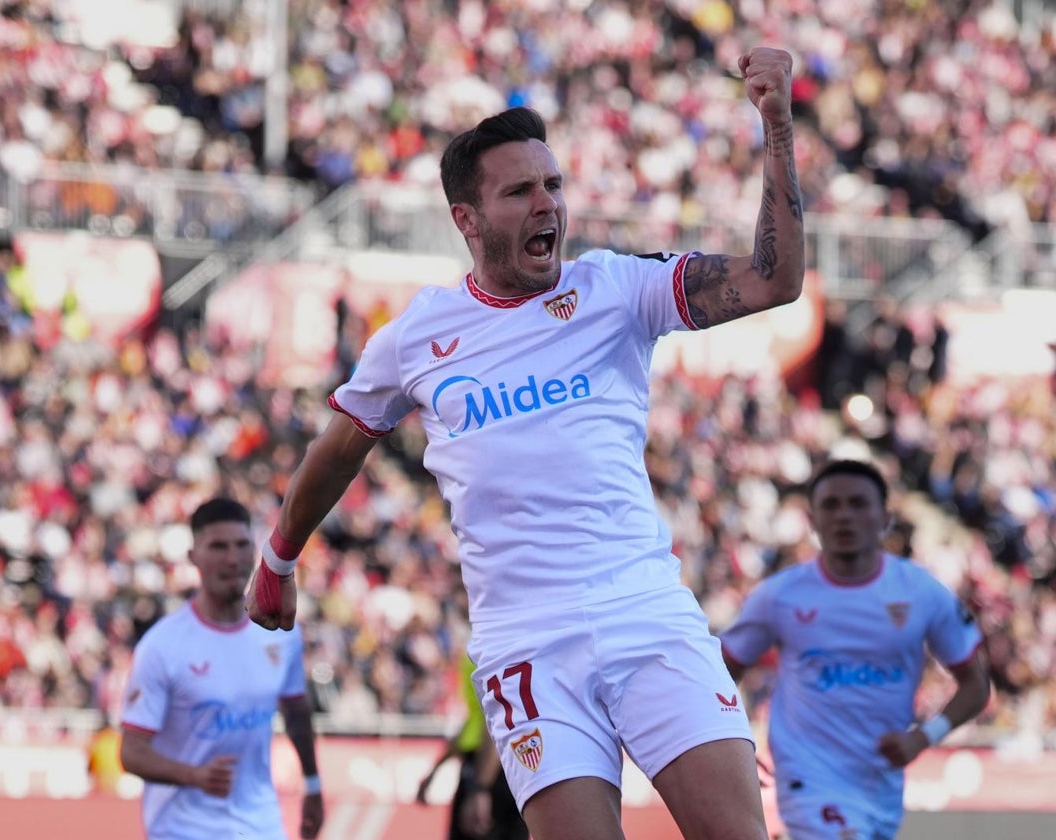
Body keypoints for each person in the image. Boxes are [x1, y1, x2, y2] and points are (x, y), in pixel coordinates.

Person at [248, 46, 804, 840]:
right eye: (520, 191)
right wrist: (278, 560)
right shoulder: (415, 338)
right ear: (466, 220)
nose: (548, 204)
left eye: (554, 185)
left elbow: (772, 280)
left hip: (644, 612)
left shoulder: (617, 290)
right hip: (526, 642)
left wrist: (777, 129)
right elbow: (340, 448)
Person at [719, 460, 991, 840]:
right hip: (807, 774)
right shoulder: (779, 596)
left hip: (880, 783)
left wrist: (923, 737)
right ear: (812, 520)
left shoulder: (921, 592)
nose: (844, 516)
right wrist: (729, 743)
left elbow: (975, 684)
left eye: (858, 504)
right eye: (831, 506)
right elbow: (717, 672)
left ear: (884, 517)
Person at [120, 497, 325, 840]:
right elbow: (131, 752)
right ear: (193, 557)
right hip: (183, 829)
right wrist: (194, 775)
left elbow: (296, 711)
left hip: (261, 826)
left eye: (242, 545)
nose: (232, 559)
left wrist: (314, 785)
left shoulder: (280, 633)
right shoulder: (162, 647)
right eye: (218, 546)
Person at [416, 655, 528, 840]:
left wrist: (480, 789)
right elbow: (475, 722)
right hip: (497, 764)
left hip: (489, 769)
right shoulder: (484, 649)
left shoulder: (486, 653)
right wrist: (435, 771)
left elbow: (495, 723)